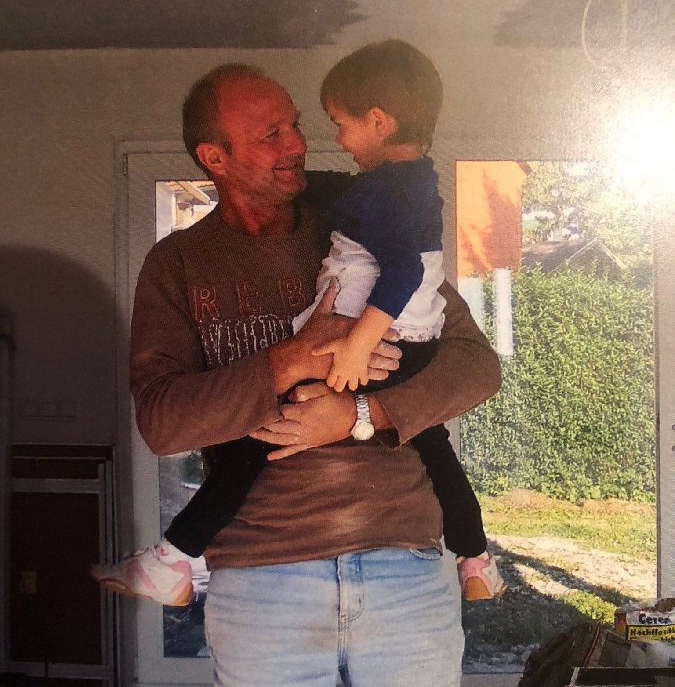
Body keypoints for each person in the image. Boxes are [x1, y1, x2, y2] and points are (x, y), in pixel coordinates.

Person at [101, 57, 501, 686]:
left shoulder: (361, 222)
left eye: (294, 125)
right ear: (214, 157)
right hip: (261, 583)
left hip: (403, 565)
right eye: (270, 135)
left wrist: (361, 414)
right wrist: (291, 358)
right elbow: (162, 423)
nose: (297, 145)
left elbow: (476, 367)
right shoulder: (176, 266)